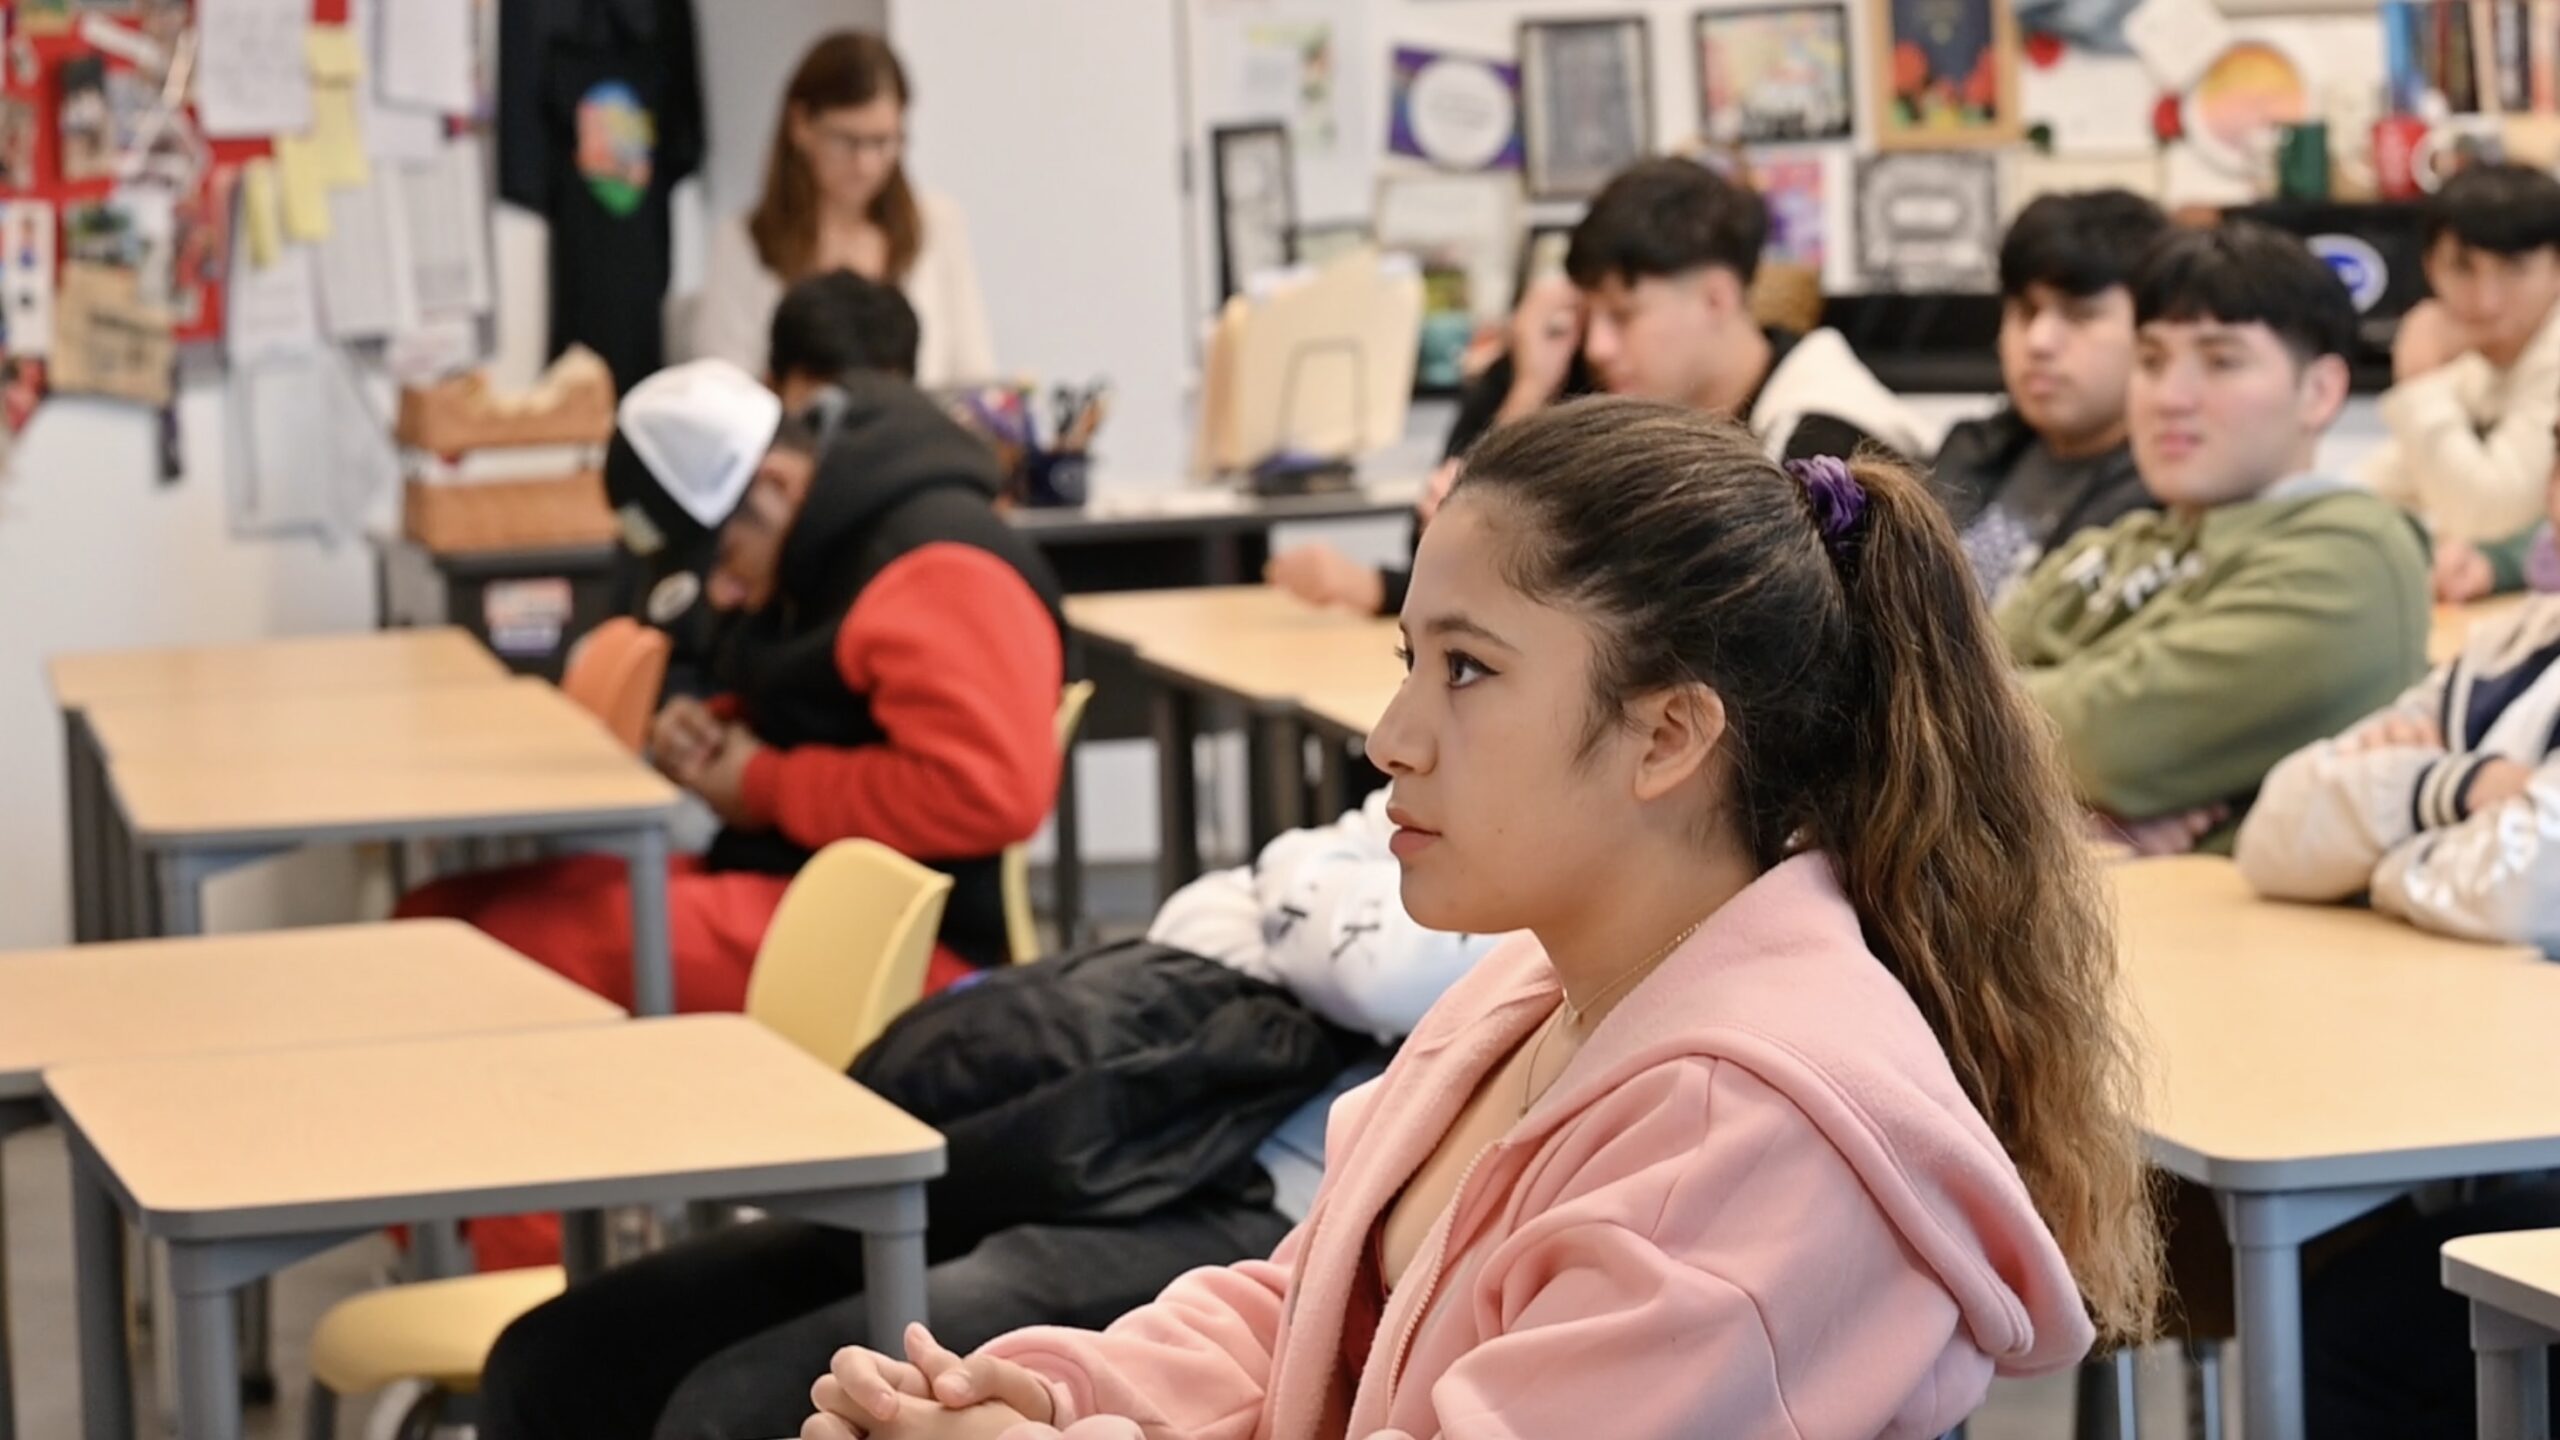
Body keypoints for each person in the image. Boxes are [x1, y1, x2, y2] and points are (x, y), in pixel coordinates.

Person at [803, 398, 2158, 1439]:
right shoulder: (1535, 991)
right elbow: (1311, 1313)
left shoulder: (1749, 1139)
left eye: (1467, 670)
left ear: (1669, 733)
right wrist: (1044, 1394)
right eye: (1411, 661)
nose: (1394, 737)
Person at [474, 791, 1501, 1440]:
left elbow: (1376, 964)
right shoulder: (1448, 794)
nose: (1390, 740)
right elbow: (1203, 904)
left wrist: (1296, 890)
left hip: (1245, 1192)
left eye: (1462, 667)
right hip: (1108, 1119)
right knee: (559, 1359)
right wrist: (1313, 894)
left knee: (738, 1409)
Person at [403, 358, 1063, 1016]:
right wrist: (718, 729)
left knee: (490, 958)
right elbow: (825, 699)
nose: (720, 592)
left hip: (902, 938)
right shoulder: (817, 542)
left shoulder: (937, 568)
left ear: (774, 484)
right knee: (435, 919)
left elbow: (987, 794)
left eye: (719, 558)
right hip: (794, 877)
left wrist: (763, 785)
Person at [1268, 156, 1925, 617]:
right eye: (1589, 315)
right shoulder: (1625, 394)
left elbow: (1735, 626)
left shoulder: (1826, 435)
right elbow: (1451, 549)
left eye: (1623, 315)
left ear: (1718, 298)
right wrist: (1530, 382)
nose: (1599, 346)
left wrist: (1382, 589)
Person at [1997, 221, 2432, 856]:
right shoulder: (2125, 541)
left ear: (2319, 391)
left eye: (2222, 361)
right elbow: (1927, 694)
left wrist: (2067, 775)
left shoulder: (2351, 556)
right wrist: (2076, 813)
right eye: (2151, 361)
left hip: (2268, 945)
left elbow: (2108, 740)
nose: (2170, 398)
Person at [691, 32, 993, 388]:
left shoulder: (937, 225)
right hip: (792, 442)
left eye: (883, 142)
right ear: (800, 124)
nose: (865, 164)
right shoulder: (743, 241)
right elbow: (722, 392)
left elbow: (975, 383)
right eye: (847, 140)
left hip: (915, 439)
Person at [1932, 189, 2169, 602]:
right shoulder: (1970, 451)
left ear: (2153, 333)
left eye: (2079, 315)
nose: (2039, 342)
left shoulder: (2167, 498)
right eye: (2025, 312)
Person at [2360, 163, 2560, 602]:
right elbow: (2372, 496)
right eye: (2464, 268)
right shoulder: (2473, 367)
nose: (2486, 299)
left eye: (2514, 268)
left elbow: (2490, 519)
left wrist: (2420, 382)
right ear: (2430, 268)